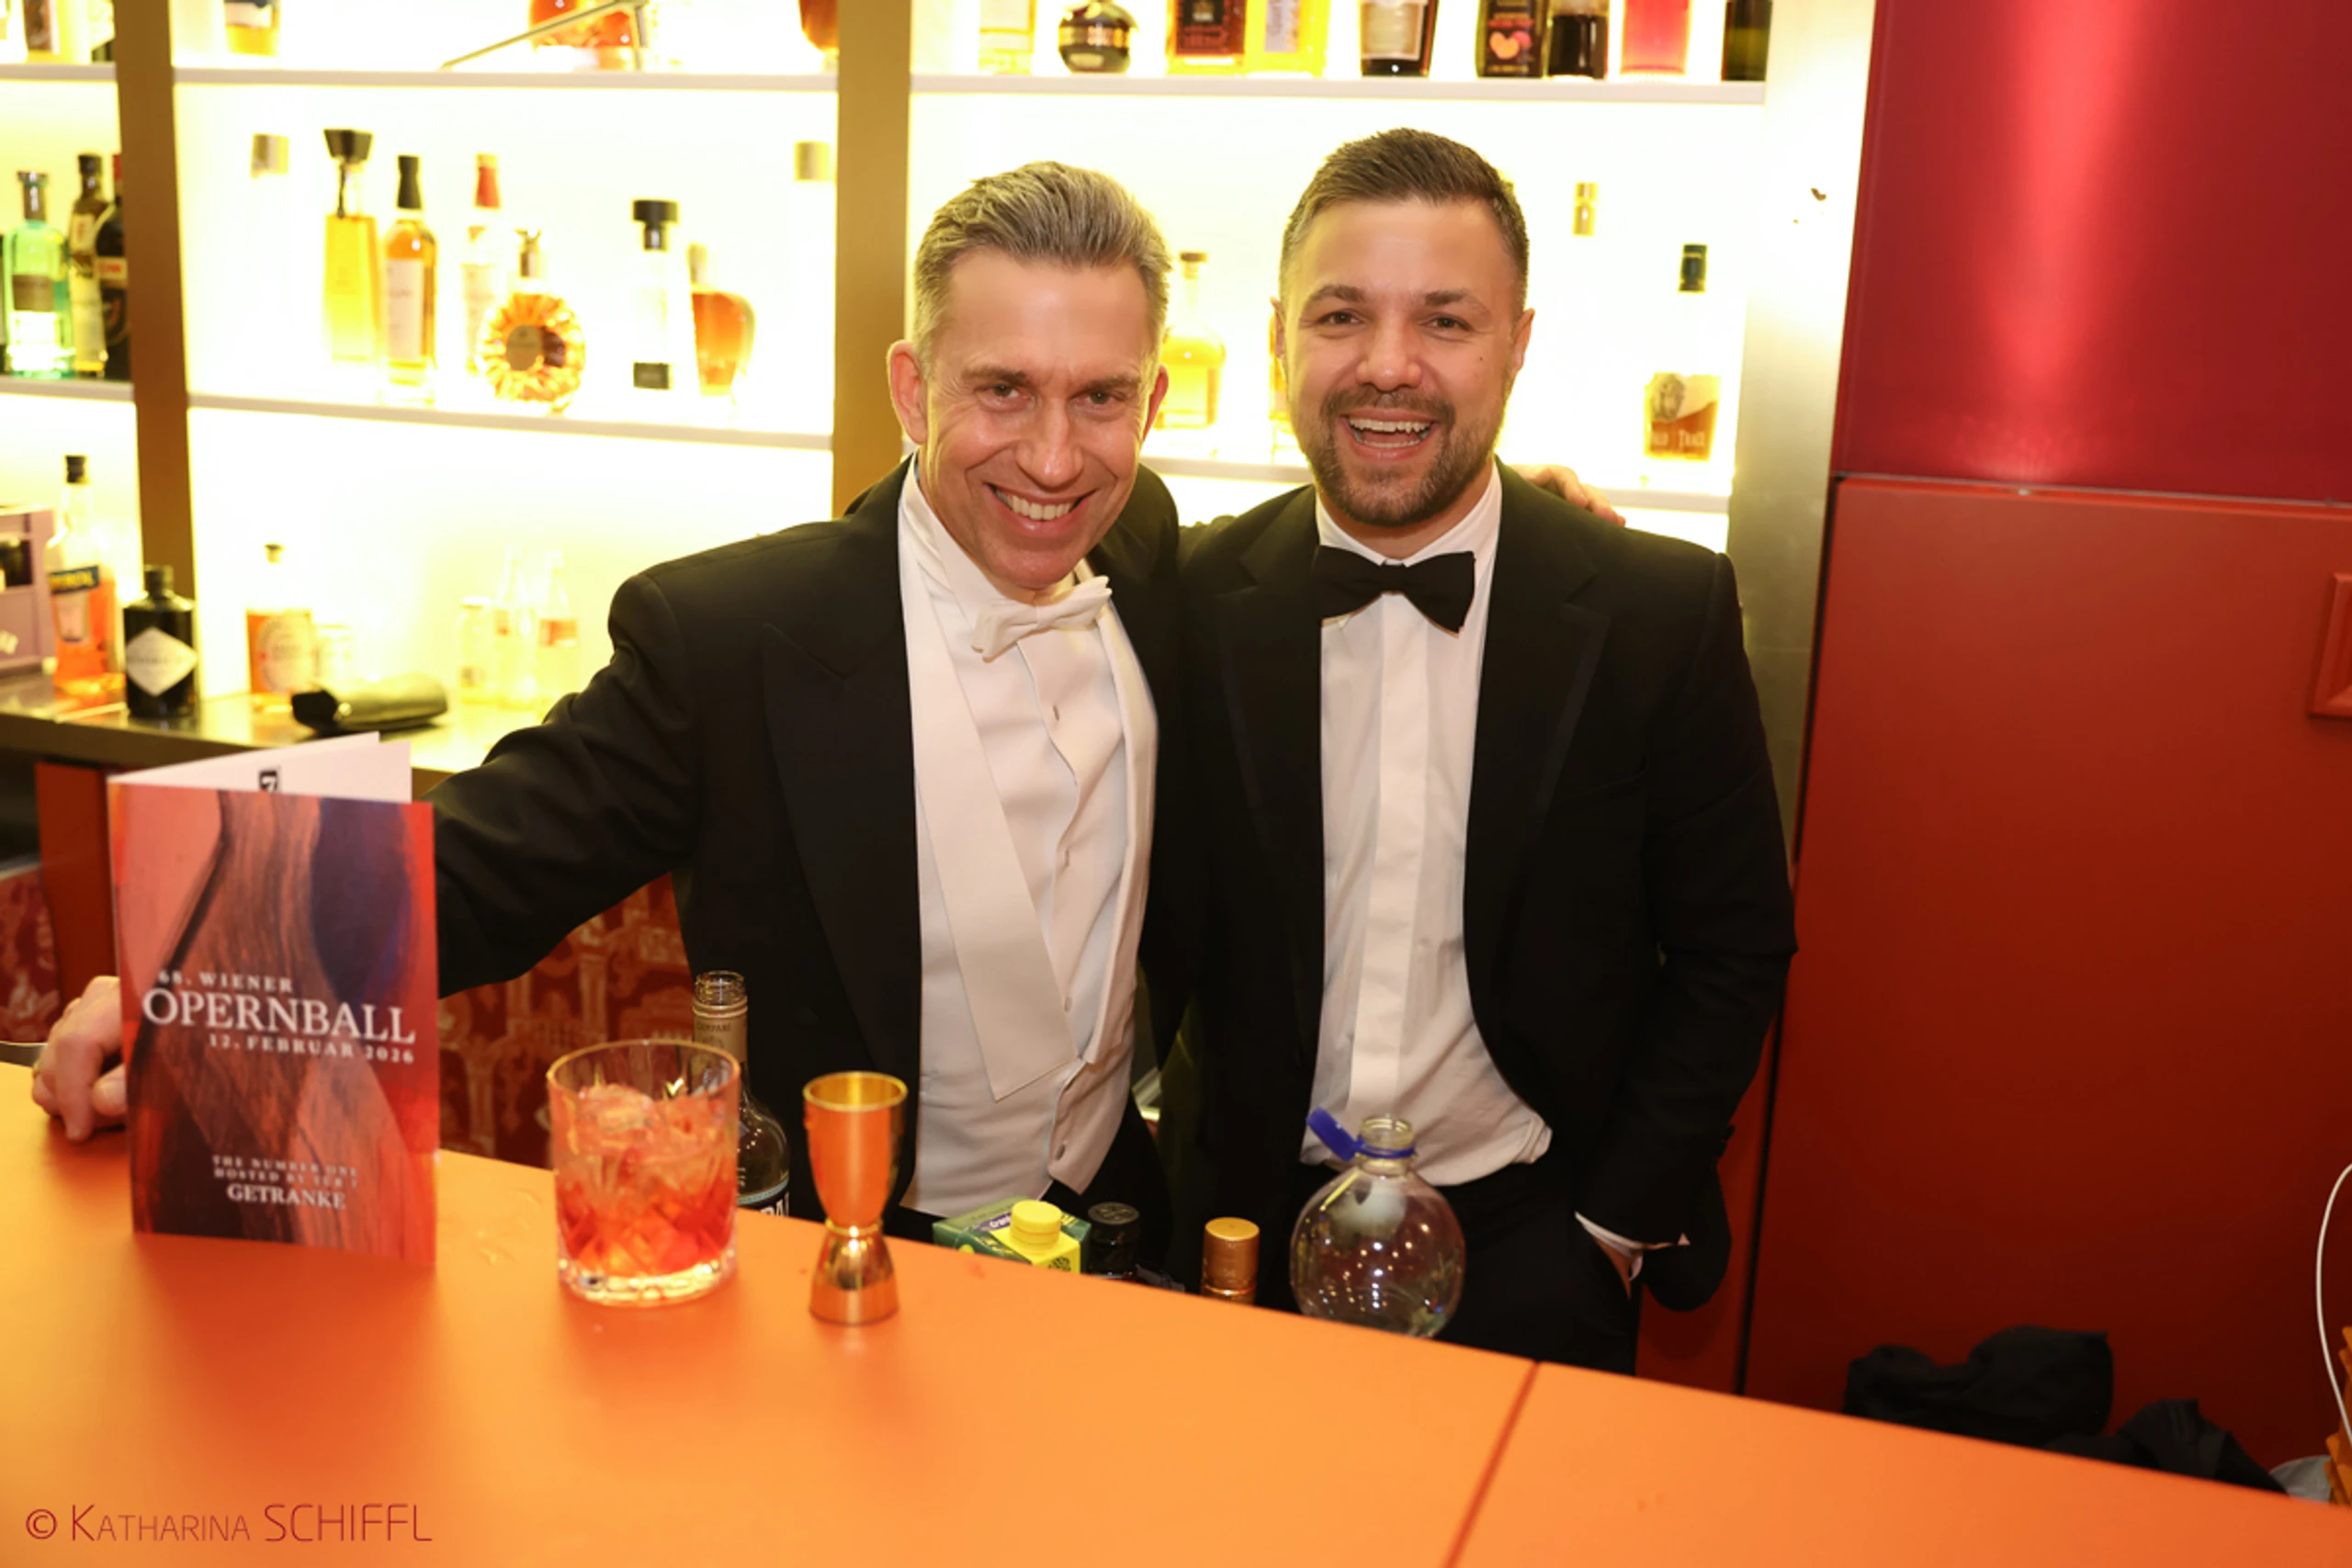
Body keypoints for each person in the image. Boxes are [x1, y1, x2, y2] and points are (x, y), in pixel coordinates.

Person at [31, 154, 1623, 1267]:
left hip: (1118, 1237)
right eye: (1001, 391)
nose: (1053, 458)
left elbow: (1341, 555)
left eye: (1101, 399)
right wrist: (180, 987)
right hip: (838, 1261)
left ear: (1155, 399)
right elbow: (488, 862)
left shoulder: (1155, 558)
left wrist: (1522, 520)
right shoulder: (736, 635)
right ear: (912, 388)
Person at [1155, 129, 1798, 1371]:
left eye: (1445, 321)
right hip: (1235, 1233)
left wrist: (1608, 1234)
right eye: (1342, 315)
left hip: (1535, 1243)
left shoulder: (1657, 611)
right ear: (1279, 337)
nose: (1388, 365)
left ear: (1518, 343)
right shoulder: (1185, 593)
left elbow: (1733, 948)